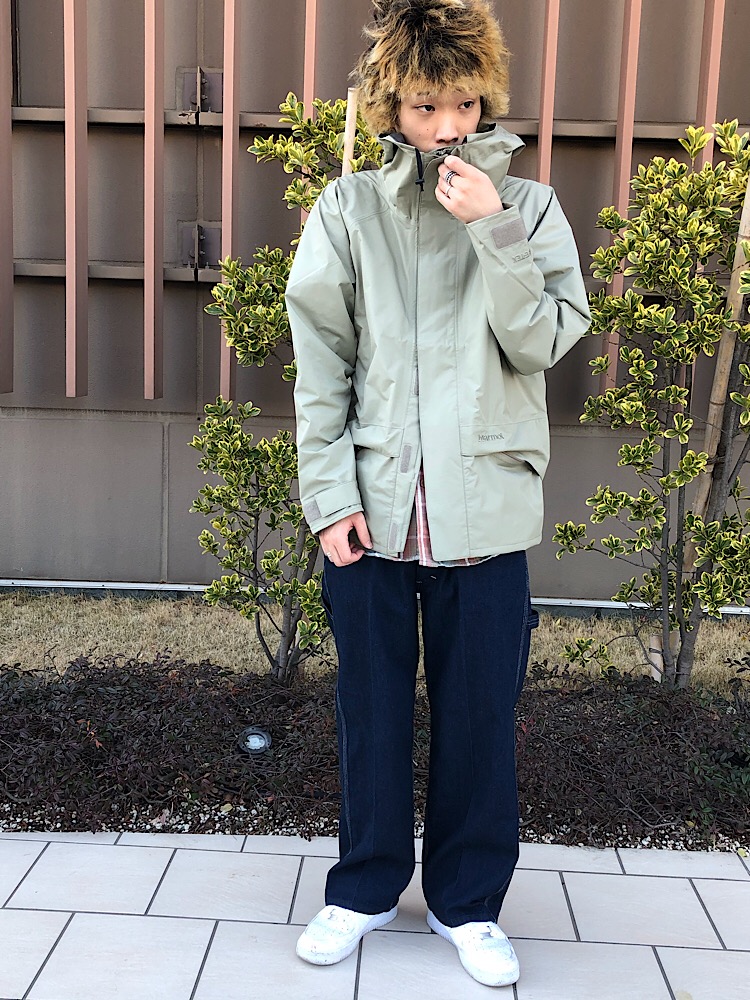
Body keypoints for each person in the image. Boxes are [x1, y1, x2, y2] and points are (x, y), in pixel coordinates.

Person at [284, 0, 590, 987]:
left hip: (484, 512)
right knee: (371, 713)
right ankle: (364, 888)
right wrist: (329, 497)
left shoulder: (530, 207)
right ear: (392, 106)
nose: (449, 126)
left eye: (464, 103)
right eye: (426, 106)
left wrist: (491, 228)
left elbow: (543, 342)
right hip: (371, 514)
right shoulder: (348, 211)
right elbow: (322, 366)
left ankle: (468, 903)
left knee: (479, 719)